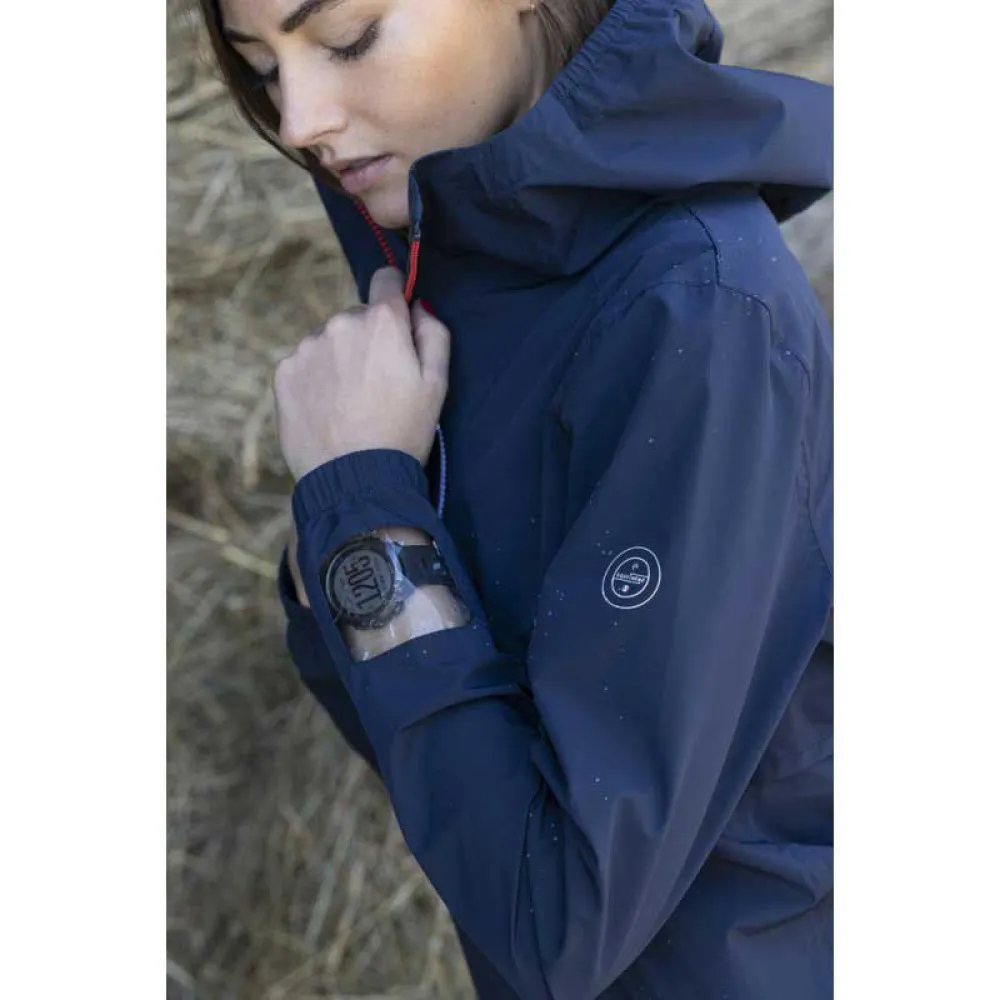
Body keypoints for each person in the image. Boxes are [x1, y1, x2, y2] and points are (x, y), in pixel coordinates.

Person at [198, 0, 833, 996]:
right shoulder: (453, 266)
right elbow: (454, 783)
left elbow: (556, 919)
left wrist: (361, 509)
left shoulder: (699, 320)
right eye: (265, 68)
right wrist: (346, 516)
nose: (299, 120)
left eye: (348, 37)